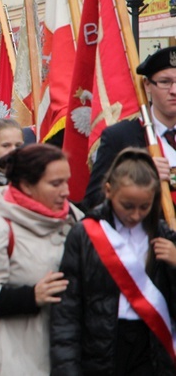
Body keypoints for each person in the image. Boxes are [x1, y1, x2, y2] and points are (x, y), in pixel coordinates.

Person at [0, 143, 83, 375]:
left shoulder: (75, 220)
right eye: (55, 184)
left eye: (66, 181)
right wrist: (30, 296)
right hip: (9, 359)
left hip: (66, 358)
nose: (66, 191)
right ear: (27, 186)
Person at [51, 148, 176, 375]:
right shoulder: (85, 234)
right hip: (101, 347)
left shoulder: (164, 235)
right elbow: (67, 312)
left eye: (144, 207)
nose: (136, 215)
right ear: (108, 191)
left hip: (150, 347)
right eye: (127, 206)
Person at [83, 46, 176, 210]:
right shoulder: (119, 136)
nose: (174, 91)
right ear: (147, 85)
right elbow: (94, 201)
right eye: (165, 82)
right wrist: (137, 177)